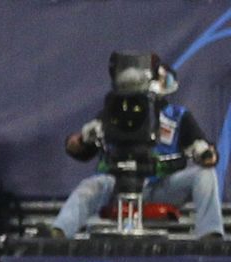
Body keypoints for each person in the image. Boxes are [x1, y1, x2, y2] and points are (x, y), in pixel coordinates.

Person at [50, 54, 223, 239]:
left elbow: (204, 151)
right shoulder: (114, 112)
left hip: (161, 186)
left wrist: (205, 153)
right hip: (117, 183)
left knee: (205, 175)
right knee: (91, 186)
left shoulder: (179, 116)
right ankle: (59, 232)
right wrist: (80, 141)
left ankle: (211, 235)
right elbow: (81, 148)